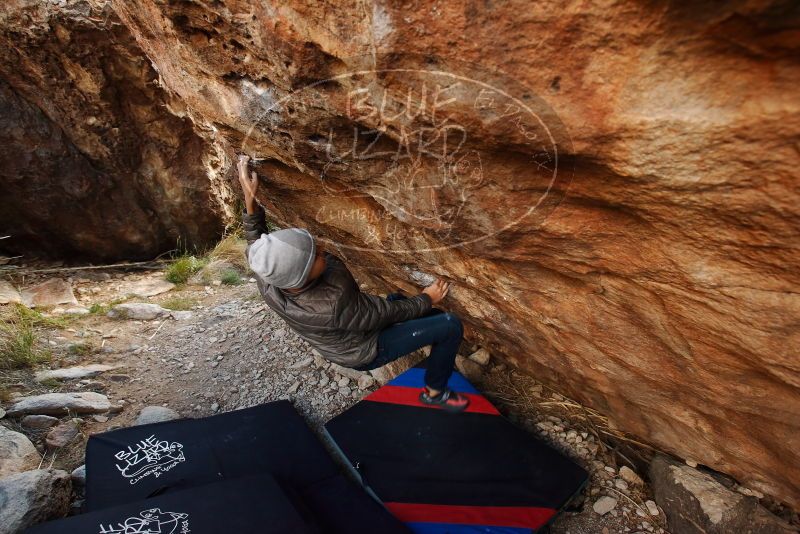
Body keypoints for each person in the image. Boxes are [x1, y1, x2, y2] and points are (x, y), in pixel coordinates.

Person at [237, 155, 469, 413]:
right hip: (365, 349)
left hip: (350, 328)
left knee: (417, 310)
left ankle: (430, 337)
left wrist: (249, 197)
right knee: (448, 324)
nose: (322, 248)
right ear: (302, 276)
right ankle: (435, 392)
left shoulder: (269, 278)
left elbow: (256, 244)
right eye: (317, 255)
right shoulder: (331, 305)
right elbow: (381, 315)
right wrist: (426, 298)